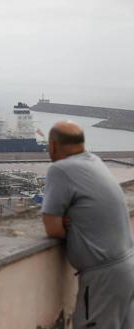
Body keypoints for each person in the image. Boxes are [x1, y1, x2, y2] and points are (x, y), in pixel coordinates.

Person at [42, 120, 134, 329]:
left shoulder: (60, 169)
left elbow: (52, 228)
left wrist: (72, 226)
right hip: (126, 265)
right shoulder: (95, 161)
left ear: (53, 145)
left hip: (103, 274)